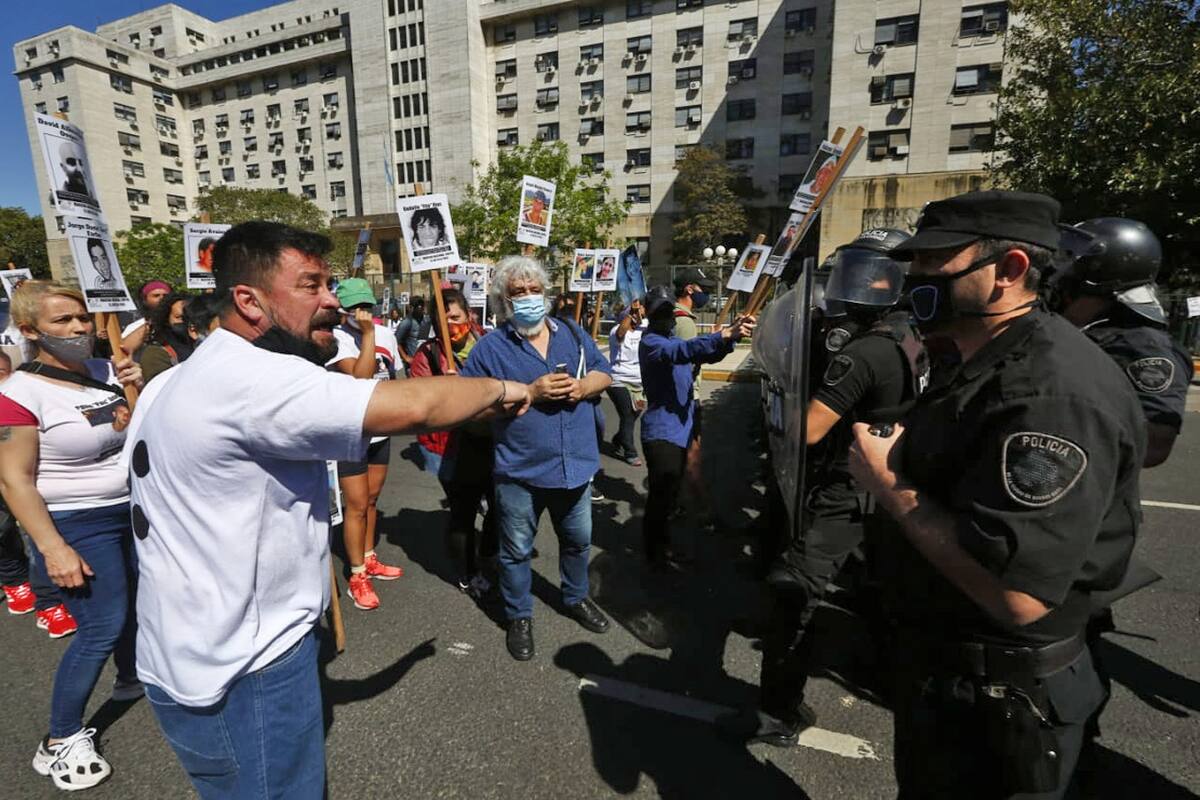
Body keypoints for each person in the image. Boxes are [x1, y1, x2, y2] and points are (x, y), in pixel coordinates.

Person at [122, 221, 530, 799]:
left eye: (329, 284)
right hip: (247, 669)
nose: (332, 301)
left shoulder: (184, 378)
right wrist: (511, 391)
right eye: (310, 286)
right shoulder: (254, 378)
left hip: (188, 659)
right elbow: (417, 405)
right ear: (249, 300)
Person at [848, 191, 1145, 798]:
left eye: (935, 264)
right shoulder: (988, 355)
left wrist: (889, 482)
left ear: (1009, 271)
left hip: (999, 706)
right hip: (952, 679)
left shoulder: (1049, 394)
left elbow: (1018, 594)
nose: (916, 281)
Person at [728, 229, 927, 747]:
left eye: (866, 274)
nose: (851, 286)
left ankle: (778, 713)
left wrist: (780, 395)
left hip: (848, 485)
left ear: (893, 279)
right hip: (900, 483)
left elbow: (807, 429)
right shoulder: (915, 334)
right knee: (887, 588)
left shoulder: (862, 353)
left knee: (793, 592)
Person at [0, 280, 144, 792]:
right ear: (29, 330)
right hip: (76, 523)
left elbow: (135, 432)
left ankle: (131, 680)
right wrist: (51, 546)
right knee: (99, 627)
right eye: (62, 321)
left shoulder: (107, 371)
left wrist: (135, 385)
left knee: (133, 608)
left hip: (129, 511)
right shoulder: (18, 392)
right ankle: (60, 738)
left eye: (82, 317)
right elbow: (13, 479)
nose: (79, 328)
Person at [460, 255, 613, 662]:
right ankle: (519, 616)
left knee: (578, 543)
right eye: (518, 292)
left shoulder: (573, 333)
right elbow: (468, 407)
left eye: (534, 290)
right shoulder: (490, 348)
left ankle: (576, 597)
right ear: (504, 302)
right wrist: (529, 392)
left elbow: (604, 373)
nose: (529, 297)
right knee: (515, 551)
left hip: (576, 468)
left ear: (546, 293)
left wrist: (582, 388)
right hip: (519, 473)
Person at [1054, 218, 1192, 468]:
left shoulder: (1143, 347)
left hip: (1087, 491)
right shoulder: (1088, 331)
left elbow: (1154, 444)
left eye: (1073, 257)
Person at [639, 286, 755, 569]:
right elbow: (685, 349)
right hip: (662, 433)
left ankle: (661, 545)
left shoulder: (669, 339)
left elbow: (705, 354)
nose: (667, 318)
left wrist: (731, 336)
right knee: (661, 498)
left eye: (670, 312)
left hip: (680, 426)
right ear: (650, 317)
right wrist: (723, 335)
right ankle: (654, 552)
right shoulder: (652, 343)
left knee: (670, 495)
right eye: (661, 313)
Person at [409, 287, 498, 596]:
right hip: (453, 447)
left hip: (495, 439)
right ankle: (467, 572)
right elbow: (420, 403)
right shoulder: (428, 354)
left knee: (501, 505)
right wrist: (444, 389)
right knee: (464, 511)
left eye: (456, 316)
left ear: (470, 315)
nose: (452, 324)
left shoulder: (490, 342)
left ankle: (488, 552)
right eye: (443, 318)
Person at [326, 277, 405, 611]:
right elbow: (359, 378)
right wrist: (368, 335)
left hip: (379, 430)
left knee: (372, 499)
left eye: (367, 306)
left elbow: (394, 374)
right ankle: (357, 574)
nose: (362, 313)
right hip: (349, 432)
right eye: (355, 307)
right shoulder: (337, 338)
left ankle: (369, 557)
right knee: (355, 505)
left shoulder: (387, 333)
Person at [672, 267, 719, 525]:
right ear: (690, 289)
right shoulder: (685, 322)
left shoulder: (674, 317)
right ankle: (704, 511)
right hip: (689, 397)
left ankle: (677, 504)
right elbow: (688, 360)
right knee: (692, 456)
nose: (706, 294)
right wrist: (716, 343)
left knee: (685, 454)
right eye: (703, 288)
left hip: (682, 397)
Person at [606, 299, 647, 466]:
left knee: (634, 414)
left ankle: (619, 439)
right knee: (628, 414)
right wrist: (631, 314)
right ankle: (630, 451)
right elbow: (621, 333)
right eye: (633, 313)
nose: (638, 315)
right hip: (618, 380)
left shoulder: (644, 330)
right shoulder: (617, 330)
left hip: (639, 381)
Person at [139, 292, 196, 384]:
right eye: (180, 317)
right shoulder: (156, 353)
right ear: (166, 320)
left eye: (191, 317)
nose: (187, 322)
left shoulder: (205, 345)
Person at [119, 281, 172, 356]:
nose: (162, 298)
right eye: (156, 296)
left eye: (165, 295)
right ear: (145, 299)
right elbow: (124, 347)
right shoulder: (135, 320)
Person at [394, 296, 432, 371]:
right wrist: (405, 357)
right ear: (412, 307)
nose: (420, 308)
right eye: (417, 306)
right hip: (413, 364)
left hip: (426, 362)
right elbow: (395, 340)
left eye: (421, 305)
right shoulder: (407, 322)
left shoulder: (427, 320)